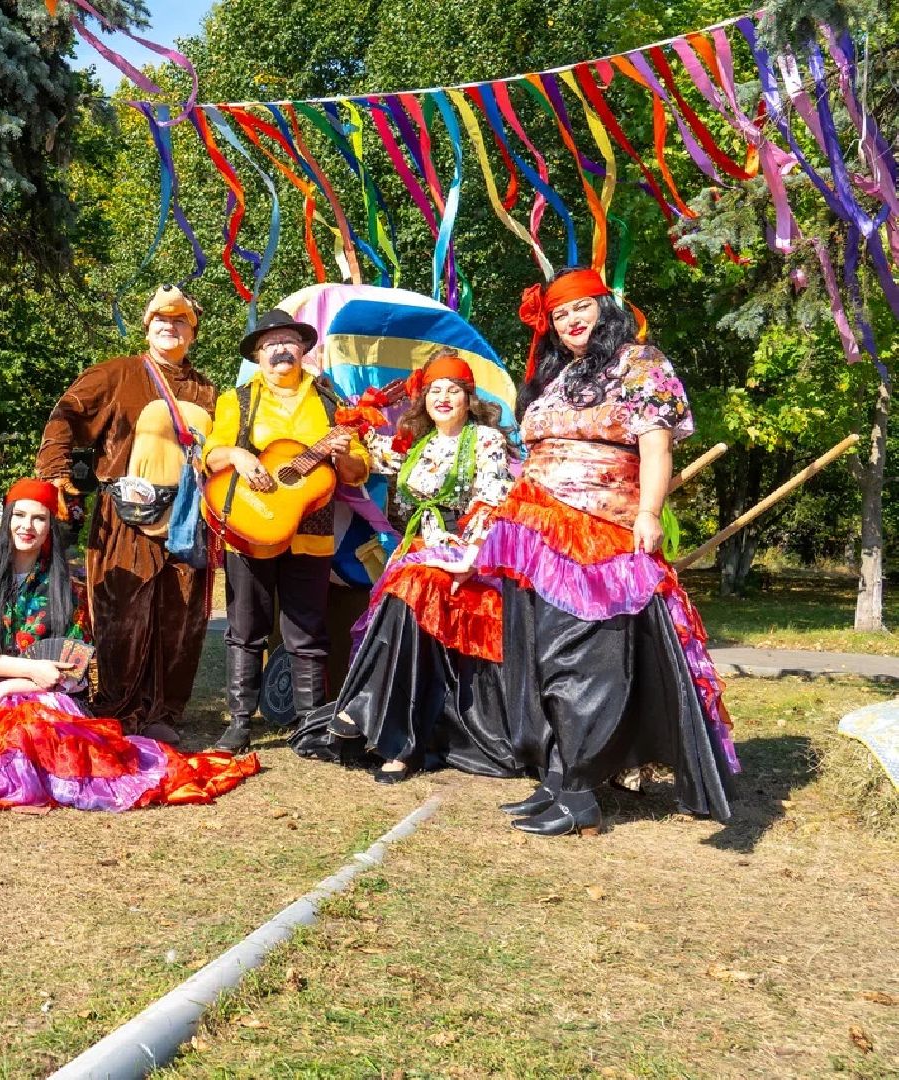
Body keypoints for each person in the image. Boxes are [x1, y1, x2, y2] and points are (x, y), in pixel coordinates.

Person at [475, 266, 737, 836]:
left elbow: (655, 443)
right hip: (534, 529)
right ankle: (557, 776)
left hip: (600, 529)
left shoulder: (639, 362)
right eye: (559, 312)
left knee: (582, 659)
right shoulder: (558, 374)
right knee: (538, 658)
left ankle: (580, 794)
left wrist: (648, 512)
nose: (570, 319)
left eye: (580, 307)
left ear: (605, 306)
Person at [0, 480, 259, 811]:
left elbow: (72, 666)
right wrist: (21, 675)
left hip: (40, 691)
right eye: (19, 515)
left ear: (51, 526)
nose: (27, 527)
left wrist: (16, 684)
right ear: (6, 517)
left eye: (39, 518)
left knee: (40, 738)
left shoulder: (69, 587)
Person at [295, 350, 521, 782]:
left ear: (468, 397)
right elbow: (367, 454)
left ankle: (379, 724)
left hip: (463, 552)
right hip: (417, 551)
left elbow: (494, 502)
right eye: (434, 390)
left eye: (452, 390)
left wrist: (469, 560)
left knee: (405, 597)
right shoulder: (416, 444)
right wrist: (343, 415)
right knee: (400, 604)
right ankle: (388, 734)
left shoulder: (485, 440)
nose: (443, 398)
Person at [34, 285, 216, 744]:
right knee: (124, 615)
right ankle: (115, 706)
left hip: (189, 519)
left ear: (192, 332)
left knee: (181, 617)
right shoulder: (116, 374)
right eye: (160, 319)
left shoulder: (206, 389)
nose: (169, 327)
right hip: (126, 518)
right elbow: (66, 414)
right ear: (146, 324)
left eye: (180, 322)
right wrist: (55, 470)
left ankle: (163, 712)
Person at [201, 309, 370, 753]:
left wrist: (343, 455)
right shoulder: (236, 400)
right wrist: (239, 458)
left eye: (288, 341)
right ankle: (240, 723)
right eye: (270, 343)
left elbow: (355, 472)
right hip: (250, 524)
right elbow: (211, 455)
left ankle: (310, 726)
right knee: (245, 625)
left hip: (311, 528)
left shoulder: (331, 400)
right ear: (258, 355)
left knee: (307, 627)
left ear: (302, 349)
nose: (280, 349)